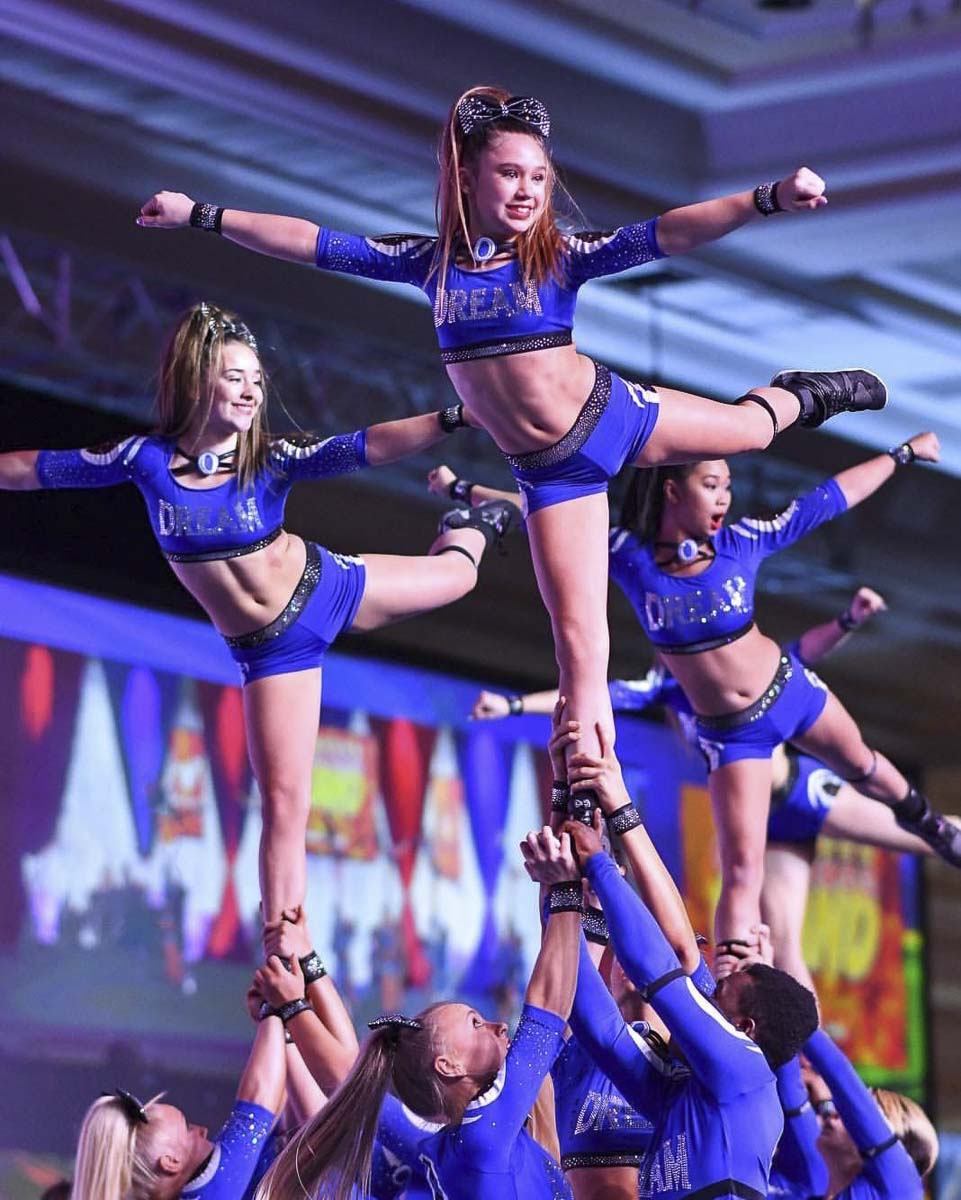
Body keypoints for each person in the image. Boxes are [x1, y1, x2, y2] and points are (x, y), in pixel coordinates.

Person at [136, 83, 887, 789]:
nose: (528, 190)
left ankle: (803, 392)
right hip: (553, 470)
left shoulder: (559, 258)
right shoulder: (429, 265)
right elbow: (308, 240)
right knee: (579, 648)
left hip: (610, 414)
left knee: (748, 431)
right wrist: (201, 214)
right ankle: (587, 788)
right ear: (466, 178)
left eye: (538, 177)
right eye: (509, 174)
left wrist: (766, 199)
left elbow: (667, 233)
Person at [0, 302, 515, 926]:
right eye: (234, 378)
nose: (251, 392)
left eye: (256, 381)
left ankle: (473, 520)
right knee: (284, 803)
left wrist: (454, 416)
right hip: (271, 649)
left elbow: (367, 446)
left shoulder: (271, 457)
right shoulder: (145, 460)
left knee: (459, 577)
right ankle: (285, 948)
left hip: (324, 589)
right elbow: (36, 469)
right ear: (197, 383)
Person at [463, 583, 955, 986]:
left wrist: (849, 619)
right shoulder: (667, 688)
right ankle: (801, 1067)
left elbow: (805, 651)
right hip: (763, 826)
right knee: (785, 945)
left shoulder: (749, 666)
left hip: (798, 793)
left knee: (923, 835)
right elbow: (595, 692)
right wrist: (511, 706)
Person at [256, 729, 583, 1200]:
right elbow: (550, 1003)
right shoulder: (484, 1136)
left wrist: (305, 977)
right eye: (475, 1023)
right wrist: (566, 882)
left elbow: (349, 1078)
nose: (496, 1025)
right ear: (449, 1066)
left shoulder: (445, 1146)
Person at [559, 743, 819, 1200]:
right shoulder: (681, 1090)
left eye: (716, 994)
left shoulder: (744, 1070)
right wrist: (561, 890)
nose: (704, 992)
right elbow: (597, 1024)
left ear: (744, 1029)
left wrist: (600, 864)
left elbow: (660, 969)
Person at [71, 1010, 285, 1200]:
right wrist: (276, 1007)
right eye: (188, 1129)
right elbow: (257, 1102)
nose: (202, 1130)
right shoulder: (212, 1193)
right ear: (171, 1161)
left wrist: (276, 1017)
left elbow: (271, 1101)